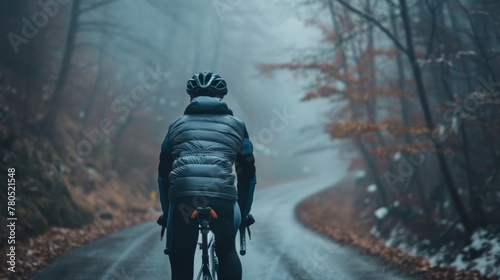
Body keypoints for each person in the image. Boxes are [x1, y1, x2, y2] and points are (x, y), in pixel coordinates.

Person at [156, 71, 257, 280]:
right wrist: (244, 213)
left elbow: (163, 175)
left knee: (181, 255)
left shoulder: (175, 126)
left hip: (184, 200)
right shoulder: (237, 126)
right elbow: (247, 174)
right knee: (227, 248)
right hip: (222, 198)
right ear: (221, 98)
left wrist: (168, 214)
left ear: (191, 98)